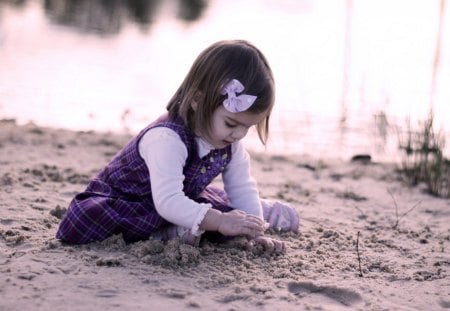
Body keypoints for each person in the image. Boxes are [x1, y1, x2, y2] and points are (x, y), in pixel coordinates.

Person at [56, 40, 299, 253]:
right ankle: (171, 232)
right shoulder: (167, 139)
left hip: (179, 197)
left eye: (248, 127)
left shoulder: (231, 142)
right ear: (197, 100)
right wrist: (221, 221)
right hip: (131, 202)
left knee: (218, 210)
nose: (239, 134)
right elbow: (168, 202)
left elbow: (242, 187)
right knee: (211, 219)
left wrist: (253, 229)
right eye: (232, 123)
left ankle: (261, 213)